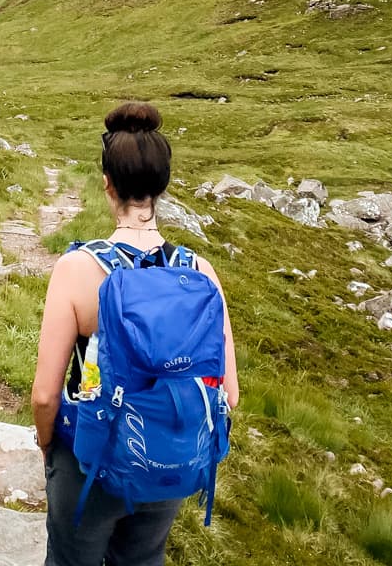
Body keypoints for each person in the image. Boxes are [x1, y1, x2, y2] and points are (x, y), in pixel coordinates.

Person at [31, 101, 239, 566]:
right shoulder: (200, 272)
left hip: (90, 462)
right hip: (167, 457)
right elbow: (230, 394)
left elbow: (46, 396)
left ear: (107, 183)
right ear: (162, 187)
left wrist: (51, 449)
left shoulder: (77, 269)